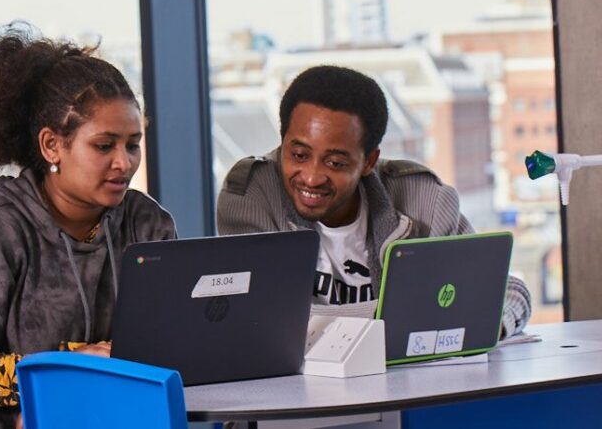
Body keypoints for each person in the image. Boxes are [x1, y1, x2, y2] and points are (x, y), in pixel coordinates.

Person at [0, 27, 177, 429]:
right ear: (51, 146)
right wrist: (56, 371)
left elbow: (170, 336)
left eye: (132, 144)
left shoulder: (147, 223)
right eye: (104, 145)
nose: (124, 163)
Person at [217, 65, 531, 336]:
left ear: (369, 162)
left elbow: (507, 292)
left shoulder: (425, 199)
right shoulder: (251, 194)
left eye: (336, 163)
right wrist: (415, 316)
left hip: (402, 390)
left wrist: (491, 326)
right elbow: (261, 318)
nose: (311, 177)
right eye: (298, 155)